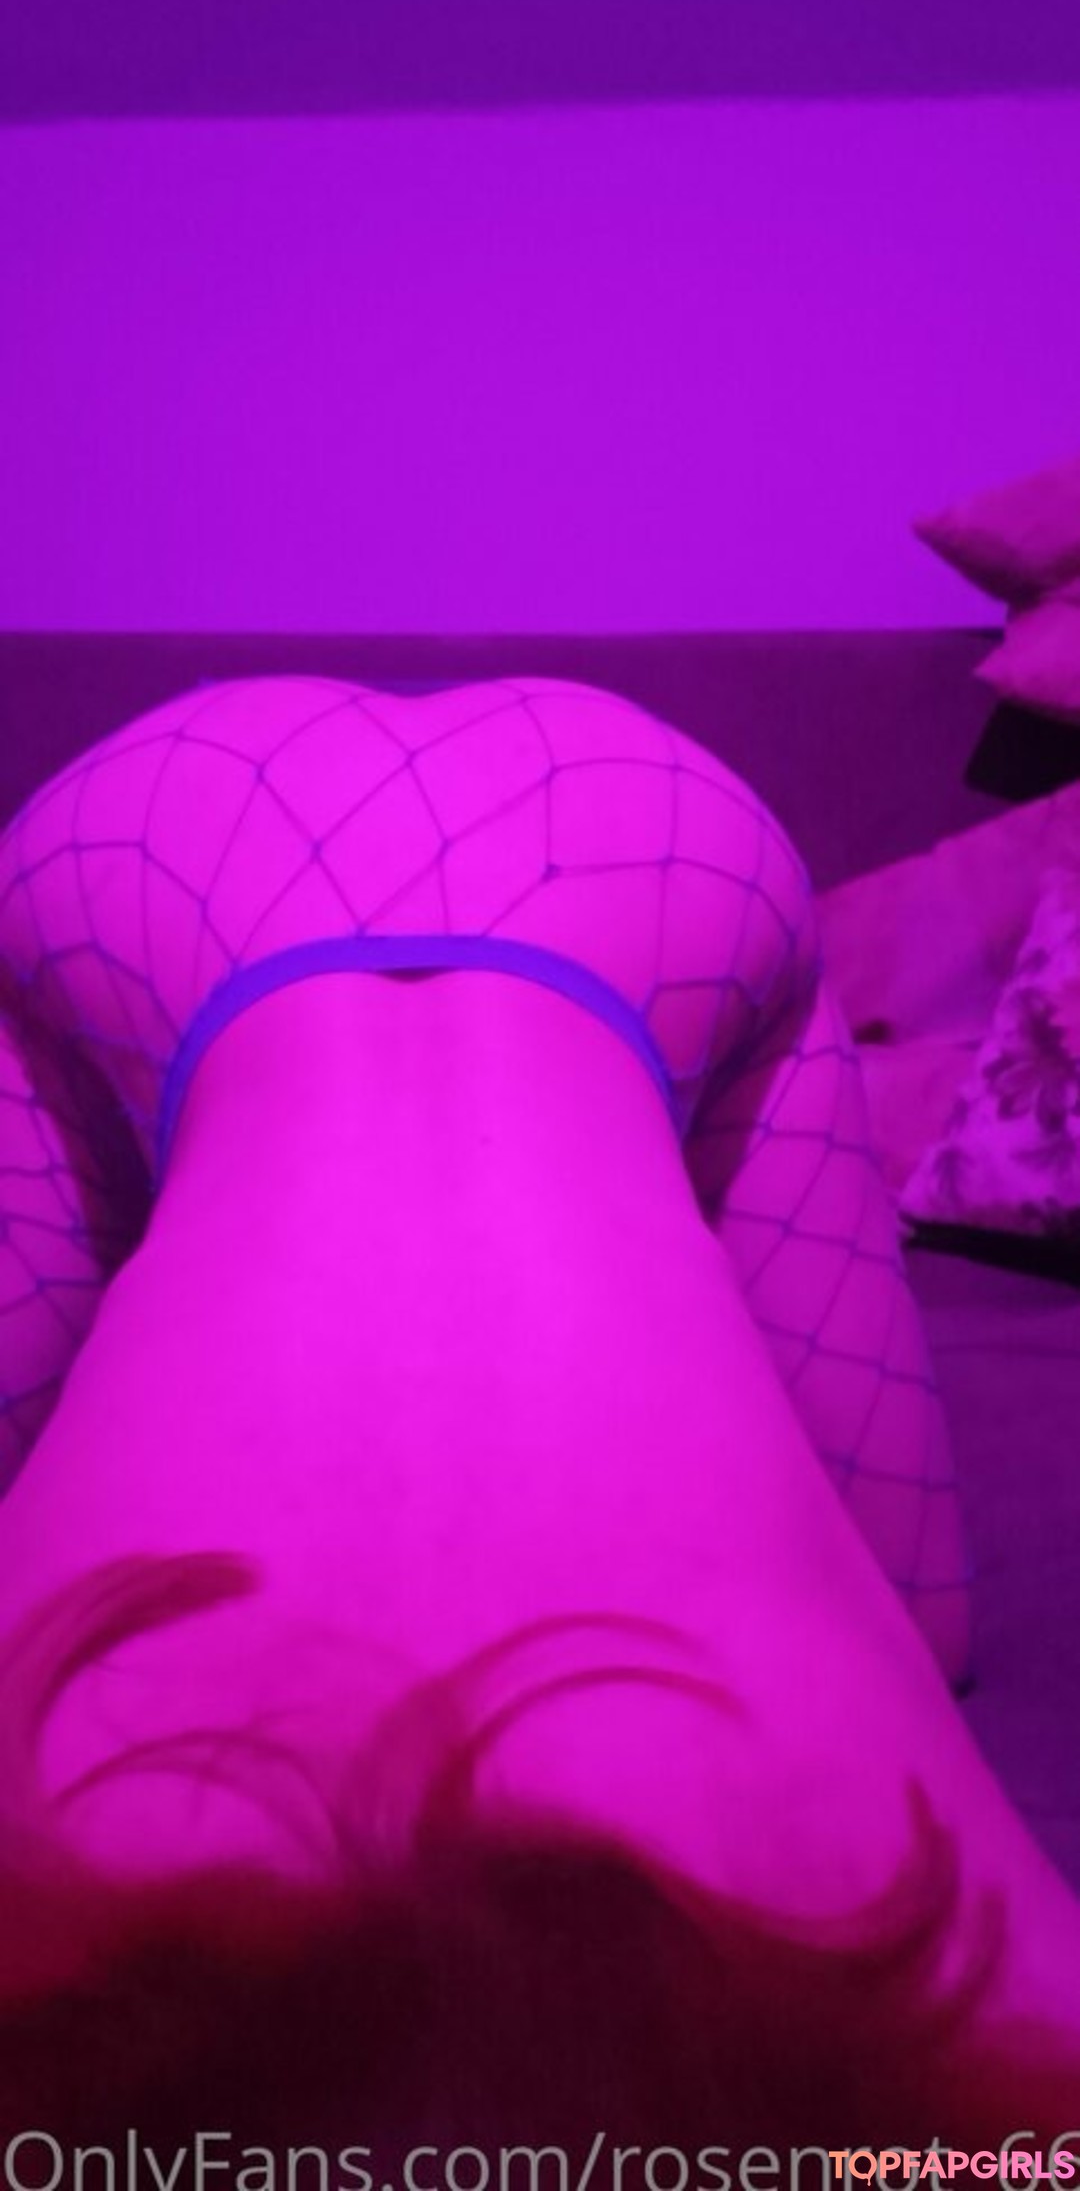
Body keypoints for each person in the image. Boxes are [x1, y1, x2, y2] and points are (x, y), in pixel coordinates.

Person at [0, 671, 1076, 2151]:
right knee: (921, 1623)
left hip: (503, 855)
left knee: (917, 1618)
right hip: (444, 845)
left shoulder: (984, 2069)